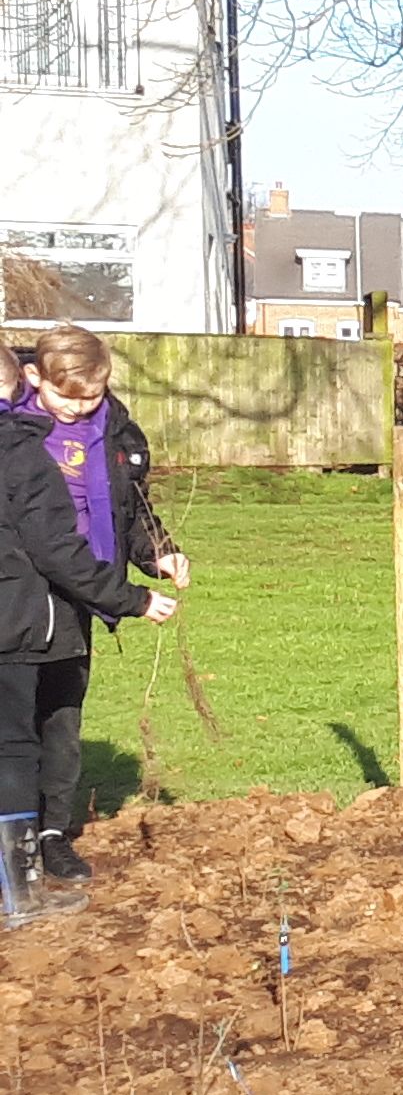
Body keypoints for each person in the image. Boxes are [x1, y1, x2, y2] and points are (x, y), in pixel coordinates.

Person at [6, 324, 188, 886]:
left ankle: (54, 833)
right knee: (15, 730)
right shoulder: (18, 439)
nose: (81, 409)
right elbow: (51, 544)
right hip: (23, 599)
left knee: (62, 720)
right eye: (68, 397)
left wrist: (158, 553)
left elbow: (128, 508)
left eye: (92, 397)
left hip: (82, 597)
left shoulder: (115, 432)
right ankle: (18, 847)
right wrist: (132, 601)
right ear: (36, 378)